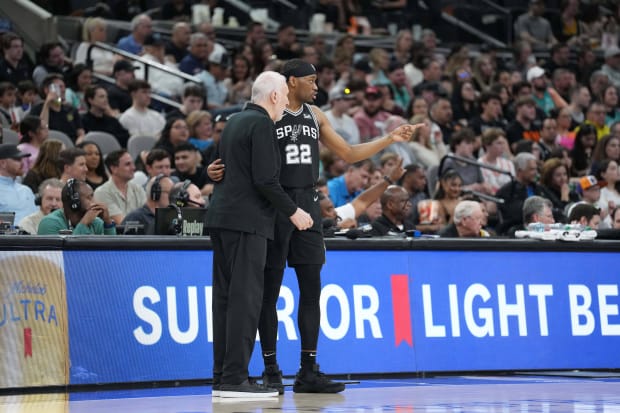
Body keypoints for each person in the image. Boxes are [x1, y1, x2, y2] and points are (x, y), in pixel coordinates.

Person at [207, 59, 421, 394]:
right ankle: (270, 368)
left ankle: (308, 369)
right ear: (290, 83)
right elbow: (240, 159)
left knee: (311, 290)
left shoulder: (315, 115)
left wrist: (389, 139)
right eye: (311, 80)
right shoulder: (267, 114)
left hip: (306, 202)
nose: (317, 86)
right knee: (267, 292)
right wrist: (214, 171)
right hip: (274, 204)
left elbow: (349, 153)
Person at [205, 71, 312, 398]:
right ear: (276, 96)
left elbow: (224, 168)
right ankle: (236, 379)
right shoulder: (264, 124)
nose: (283, 104)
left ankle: (223, 377)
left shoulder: (235, 121)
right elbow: (265, 180)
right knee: (245, 300)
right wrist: (295, 212)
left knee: (224, 300)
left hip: (222, 219)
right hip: (247, 223)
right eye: (283, 95)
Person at [38, 178, 116, 235]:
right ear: (75, 201)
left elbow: (113, 253)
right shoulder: (49, 223)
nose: (94, 202)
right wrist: (84, 223)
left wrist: (108, 222)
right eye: (89, 197)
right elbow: (67, 254)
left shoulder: (96, 222)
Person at [94, 149, 146, 224]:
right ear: (114, 169)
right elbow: (121, 223)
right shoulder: (102, 192)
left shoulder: (138, 189)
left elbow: (148, 217)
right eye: (128, 164)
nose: (133, 168)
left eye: (132, 163)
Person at [0, 144, 38, 223]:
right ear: (3, 163)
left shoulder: (27, 190)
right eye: (17, 159)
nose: (22, 163)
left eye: (21, 159)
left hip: (33, 234)